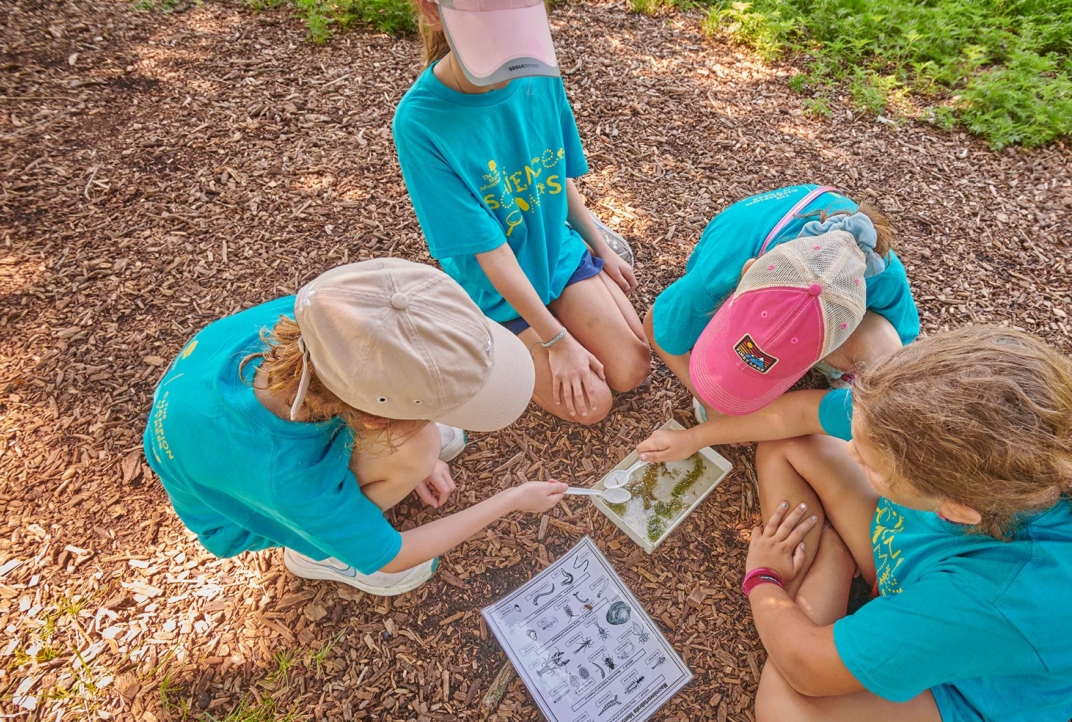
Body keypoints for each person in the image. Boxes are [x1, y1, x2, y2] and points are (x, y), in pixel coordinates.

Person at [706, 326, 1072, 722]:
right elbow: (806, 422)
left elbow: (808, 673)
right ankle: (846, 576)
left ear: (956, 509)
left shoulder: (998, 599)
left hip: (976, 671)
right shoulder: (1018, 451)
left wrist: (765, 580)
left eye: (872, 463)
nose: (853, 454)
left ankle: (835, 566)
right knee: (788, 447)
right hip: (950, 568)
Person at [143, 258, 568, 597]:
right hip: (246, 514)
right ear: (374, 420)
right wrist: (511, 500)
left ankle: (392, 466)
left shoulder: (325, 318)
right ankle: (324, 554)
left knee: (421, 448)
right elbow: (395, 556)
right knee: (419, 450)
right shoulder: (286, 480)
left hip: (251, 436)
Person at [392, 0, 651, 425]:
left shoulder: (538, 72)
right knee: (592, 406)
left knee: (633, 370)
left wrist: (600, 247)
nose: (507, 59)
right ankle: (483, 333)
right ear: (431, 11)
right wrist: (556, 340)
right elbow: (490, 253)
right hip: (496, 288)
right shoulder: (419, 123)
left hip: (554, 252)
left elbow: (556, 172)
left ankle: (583, 266)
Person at [645, 184, 919, 421]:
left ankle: (836, 369)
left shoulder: (884, 276)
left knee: (883, 353)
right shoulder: (712, 281)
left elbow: (900, 345)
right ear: (747, 273)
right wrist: (707, 398)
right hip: (745, 230)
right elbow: (655, 324)